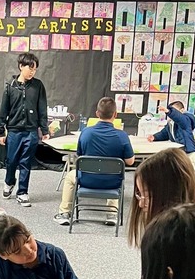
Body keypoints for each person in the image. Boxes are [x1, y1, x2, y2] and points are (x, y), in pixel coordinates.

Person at [78, 148, 195, 279]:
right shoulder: (176, 228)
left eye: (146, 194)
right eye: (138, 193)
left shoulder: (181, 236)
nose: (141, 202)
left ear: (170, 192)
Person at [54, 97, 135, 227]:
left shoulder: (86, 132)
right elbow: (130, 162)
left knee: (70, 177)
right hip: (112, 182)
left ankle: (65, 213)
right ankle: (112, 214)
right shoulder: (122, 136)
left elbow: (80, 156)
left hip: (86, 179)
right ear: (115, 115)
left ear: (97, 114)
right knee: (117, 174)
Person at [0, 53, 49, 208]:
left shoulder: (38, 86)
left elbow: (42, 108)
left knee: (26, 162)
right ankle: (9, 182)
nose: (32, 72)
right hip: (13, 130)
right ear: (21, 66)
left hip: (31, 131)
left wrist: (44, 130)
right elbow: (3, 110)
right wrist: (1, 131)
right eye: (30, 68)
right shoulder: (10, 86)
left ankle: (22, 193)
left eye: (35, 69)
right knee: (11, 160)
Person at [148, 101, 195, 169]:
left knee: (186, 176)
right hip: (178, 154)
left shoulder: (187, 119)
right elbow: (164, 133)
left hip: (188, 154)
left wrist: (169, 111)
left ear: (182, 110)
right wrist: (154, 137)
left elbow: (180, 118)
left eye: (174, 111)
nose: (171, 113)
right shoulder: (171, 123)